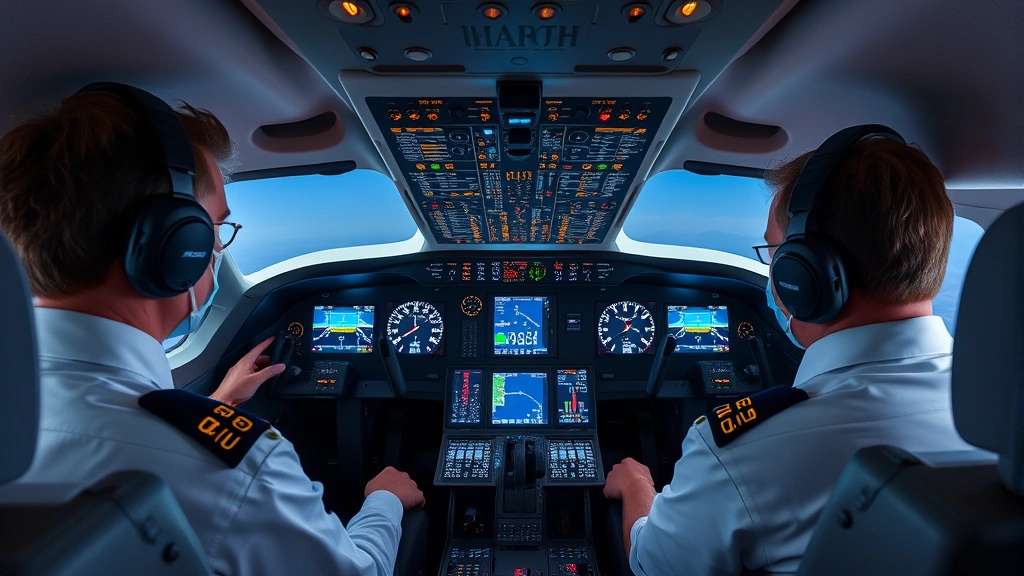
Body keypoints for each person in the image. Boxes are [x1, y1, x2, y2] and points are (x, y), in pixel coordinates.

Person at [0, 86, 424, 576]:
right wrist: (384, 501)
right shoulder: (239, 468)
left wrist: (213, 406)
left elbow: (104, 432)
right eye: (216, 228)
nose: (214, 250)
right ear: (175, 244)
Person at [604, 130, 976, 575]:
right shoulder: (999, 412)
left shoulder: (741, 453)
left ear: (806, 274)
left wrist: (637, 484)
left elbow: (652, 565)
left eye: (775, 253)